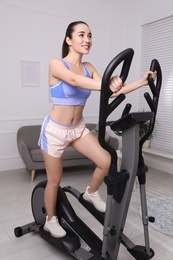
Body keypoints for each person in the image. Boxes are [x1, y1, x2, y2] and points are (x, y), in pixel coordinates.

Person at [38, 21, 156, 238]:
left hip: (77, 128)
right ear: (68, 40)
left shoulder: (89, 68)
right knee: (54, 180)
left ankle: (91, 193)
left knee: (105, 161)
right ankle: (50, 220)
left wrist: (141, 82)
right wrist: (107, 83)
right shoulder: (57, 64)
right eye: (81, 35)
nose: (87, 40)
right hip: (55, 131)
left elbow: (109, 93)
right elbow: (75, 81)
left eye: (90, 36)